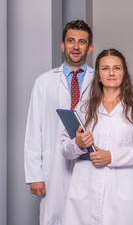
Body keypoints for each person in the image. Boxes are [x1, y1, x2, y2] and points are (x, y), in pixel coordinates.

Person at [60, 49, 133, 224]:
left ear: (124, 72)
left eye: (116, 68)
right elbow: (65, 149)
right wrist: (77, 143)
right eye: (105, 68)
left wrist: (111, 156)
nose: (111, 73)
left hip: (121, 191)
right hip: (84, 190)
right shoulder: (83, 108)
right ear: (98, 75)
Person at [24, 20, 94, 225]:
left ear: (89, 48)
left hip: (89, 162)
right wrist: (34, 175)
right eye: (71, 41)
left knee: (87, 216)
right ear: (62, 45)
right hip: (54, 165)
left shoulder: (99, 80)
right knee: (54, 217)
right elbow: (33, 130)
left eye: (82, 42)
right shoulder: (44, 82)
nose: (75, 46)